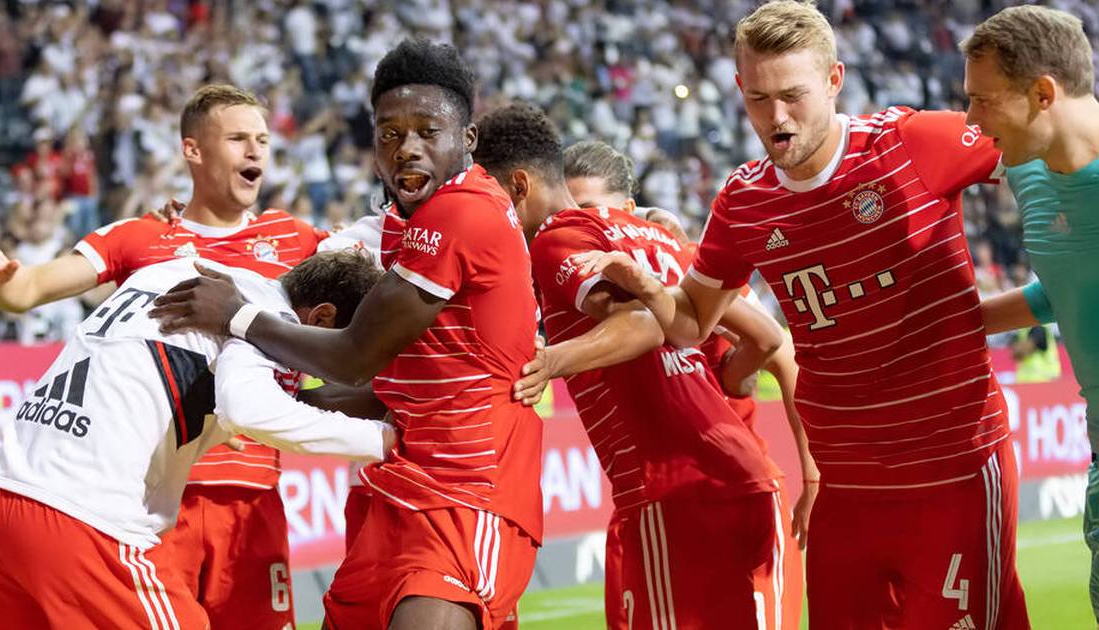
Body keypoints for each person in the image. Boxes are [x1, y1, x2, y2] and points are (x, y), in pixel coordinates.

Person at [573, 2, 1029, 628]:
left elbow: (1046, 152)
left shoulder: (913, 143)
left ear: (835, 80)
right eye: (759, 99)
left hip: (952, 472)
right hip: (846, 492)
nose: (777, 118)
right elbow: (691, 323)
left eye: (793, 96)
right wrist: (649, 287)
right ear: (739, 88)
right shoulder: (744, 201)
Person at [149, 39, 542, 630]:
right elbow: (387, 392)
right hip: (397, 491)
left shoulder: (461, 211)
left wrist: (236, 314)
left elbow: (355, 356)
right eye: (390, 134)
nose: (406, 147)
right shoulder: (401, 226)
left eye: (427, 131)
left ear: (467, 138)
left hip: (466, 498)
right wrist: (267, 405)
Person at [0, 84, 326, 628]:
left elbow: (368, 281)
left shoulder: (296, 239)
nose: (255, 151)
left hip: (251, 496)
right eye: (237, 139)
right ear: (193, 150)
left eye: (262, 140)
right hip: (153, 502)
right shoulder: (141, 236)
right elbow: (28, 289)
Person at [475, 102, 802, 630]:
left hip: (670, 487)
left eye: (493, 200)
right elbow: (770, 339)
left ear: (518, 187)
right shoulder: (664, 239)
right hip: (751, 479)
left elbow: (644, 323)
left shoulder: (555, 239)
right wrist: (811, 467)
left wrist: (552, 360)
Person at [0, 253, 395, 629]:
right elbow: (250, 410)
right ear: (321, 318)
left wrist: (217, 429)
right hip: (84, 520)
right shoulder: (265, 316)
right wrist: (386, 440)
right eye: (348, 349)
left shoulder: (171, 270)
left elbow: (160, 375)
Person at [958, 5, 1099, 621]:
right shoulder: (1028, 172)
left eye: (983, 101)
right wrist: (946, 322)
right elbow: (1065, 286)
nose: (970, 119)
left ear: (1043, 94)